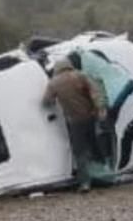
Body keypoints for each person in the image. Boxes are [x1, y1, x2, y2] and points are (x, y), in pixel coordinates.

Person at [43, 58, 106, 193]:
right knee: (94, 142)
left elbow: (46, 101)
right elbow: (95, 93)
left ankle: (85, 183)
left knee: (80, 151)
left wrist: (55, 102)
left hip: (74, 121)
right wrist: (100, 109)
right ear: (69, 66)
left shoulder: (53, 83)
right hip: (90, 116)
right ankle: (104, 171)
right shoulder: (80, 75)